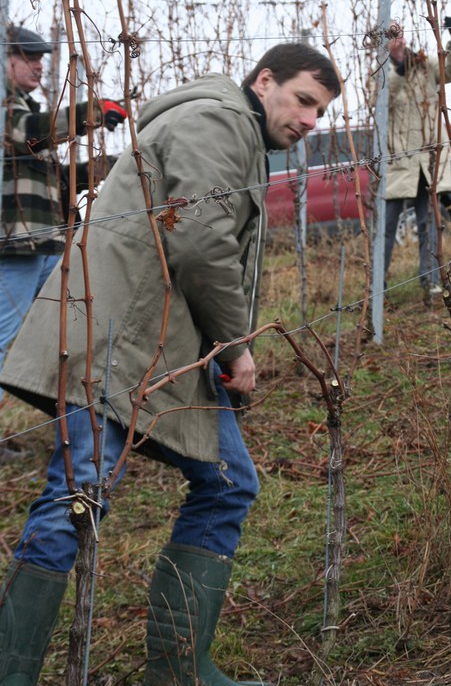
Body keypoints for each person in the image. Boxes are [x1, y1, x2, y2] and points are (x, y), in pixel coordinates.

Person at [0, 42, 340, 685]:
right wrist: (237, 348)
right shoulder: (215, 121)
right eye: (303, 100)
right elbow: (204, 242)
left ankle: (179, 670)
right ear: (264, 81)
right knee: (76, 495)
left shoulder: (235, 129)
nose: (309, 122)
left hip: (156, 344)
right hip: (115, 340)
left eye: (319, 113)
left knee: (227, 482)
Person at [0, 25, 126, 411]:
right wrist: (92, 111)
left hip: (43, 242)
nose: (38, 66)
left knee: (58, 330)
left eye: (41, 58)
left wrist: (110, 167)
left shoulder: (26, 106)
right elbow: (28, 134)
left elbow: (54, 182)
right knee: (5, 338)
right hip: (17, 244)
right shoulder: (9, 109)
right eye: (28, 57)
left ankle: (68, 420)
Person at [382, 18, 451, 293]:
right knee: (387, 226)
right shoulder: (381, 73)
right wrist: (398, 70)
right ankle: (376, 286)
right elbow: (381, 100)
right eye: (392, 36)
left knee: (428, 222)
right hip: (401, 162)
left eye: (400, 34)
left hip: (429, 159)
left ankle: (430, 280)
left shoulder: (425, 64)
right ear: (382, 42)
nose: (399, 40)